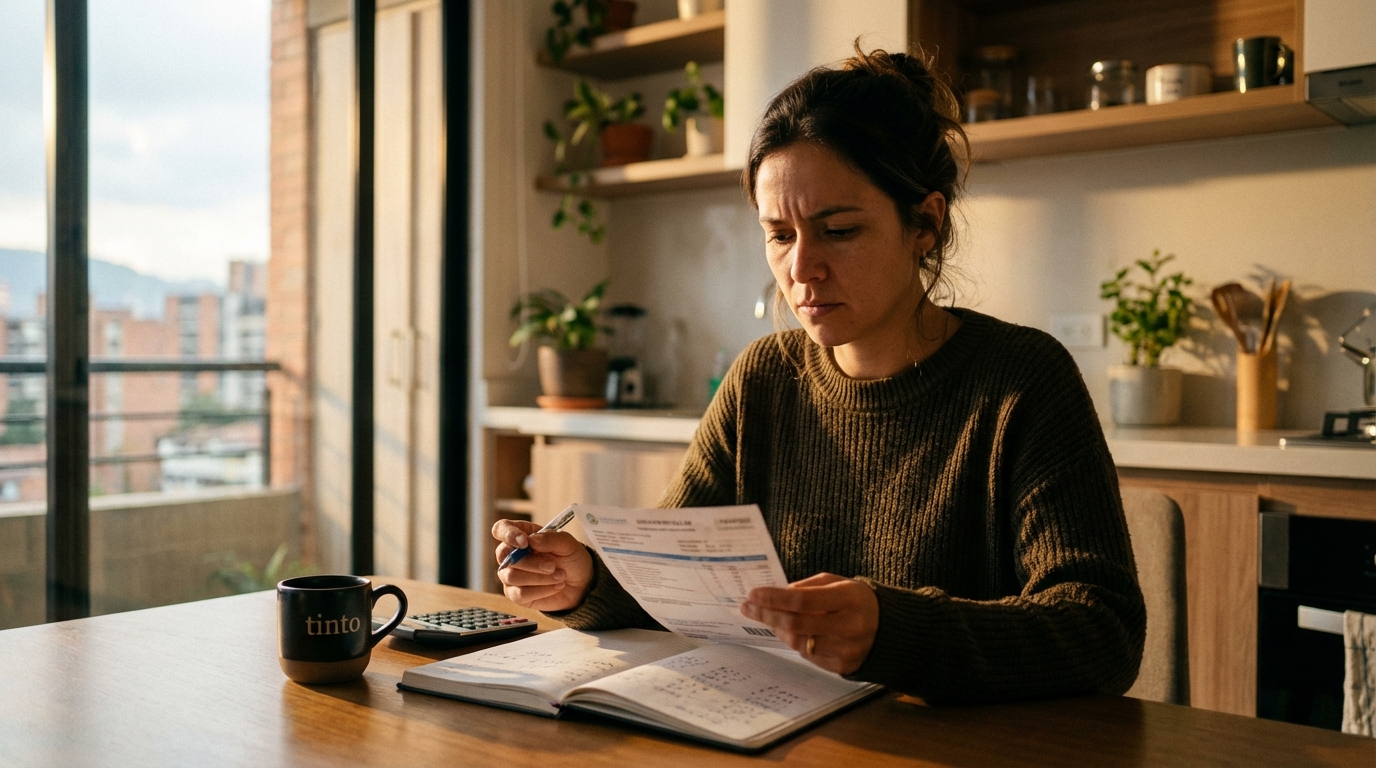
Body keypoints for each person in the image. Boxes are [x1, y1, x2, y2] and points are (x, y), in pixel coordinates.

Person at [492, 47, 1146, 704]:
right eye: (779, 234)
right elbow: (674, 579)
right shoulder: (763, 381)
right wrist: (584, 578)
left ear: (926, 222)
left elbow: (1102, 633)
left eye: (838, 230)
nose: (802, 268)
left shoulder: (1020, 382)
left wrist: (893, 631)